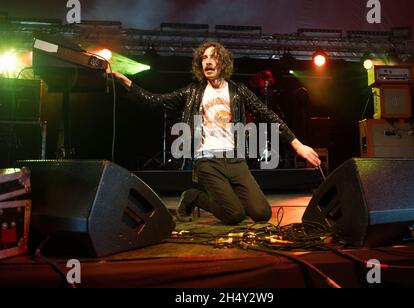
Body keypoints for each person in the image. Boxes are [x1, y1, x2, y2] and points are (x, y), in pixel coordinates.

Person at [111, 42, 321, 225]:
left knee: (262, 213)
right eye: (204, 58)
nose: (208, 62)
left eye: (213, 57)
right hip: (208, 161)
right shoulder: (193, 91)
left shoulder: (237, 90)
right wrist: (124, 81)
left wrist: (296, 144)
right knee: (235, 216)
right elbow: (156, 101)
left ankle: (227, 199)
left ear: (223, 63)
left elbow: (267, 114)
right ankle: (194, 196)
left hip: (235, 160)